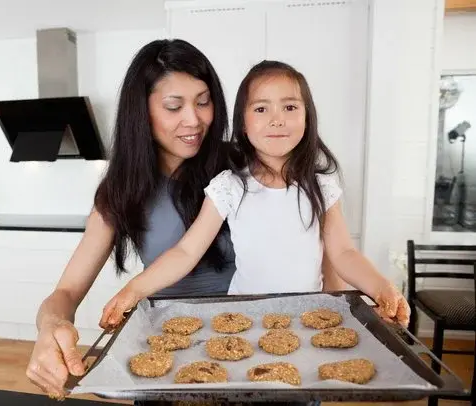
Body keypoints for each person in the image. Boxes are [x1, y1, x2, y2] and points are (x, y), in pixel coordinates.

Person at [26, 40, 346, 400]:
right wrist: (51, 326)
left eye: (203, 102)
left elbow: (320, 242)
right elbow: (66, 292)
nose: (194, 120)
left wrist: (331, 318)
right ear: (142, 112)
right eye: (174, 106)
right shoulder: (119, 193)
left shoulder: (246, 166)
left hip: (260, 349)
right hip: (172, 359)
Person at [100, 60, 410, 329]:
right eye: (261, 109)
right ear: (244, 124)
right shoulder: (229, 186)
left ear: (307, 117)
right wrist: (134, 290)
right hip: (242, 320)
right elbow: (186, 253)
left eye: (290, 107)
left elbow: (344, 254)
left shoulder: (322, 188)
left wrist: (382, 288)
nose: (277, 119)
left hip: (309, 319)